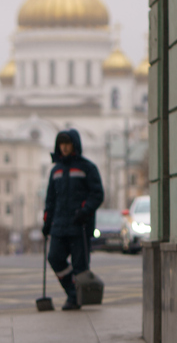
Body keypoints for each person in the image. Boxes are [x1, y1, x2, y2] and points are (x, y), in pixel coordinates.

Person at [41, 129, 103, 310]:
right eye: (62, 144)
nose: (65, 147)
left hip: (80, 226)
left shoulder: (87, 168)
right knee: (54, 258)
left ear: (74, 145)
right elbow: (50, 200)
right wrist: (47, 222)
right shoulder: (56, 171)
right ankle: (73, 292)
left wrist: (85, 211)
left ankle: (76, 298)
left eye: (68, 144)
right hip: (59, 225)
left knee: (80, 266)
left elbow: (97, 194)